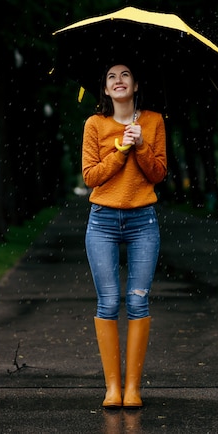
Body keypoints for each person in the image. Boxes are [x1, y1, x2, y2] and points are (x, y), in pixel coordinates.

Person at [82, 63, 167, 409]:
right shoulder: (95, 124)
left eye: (125, 75)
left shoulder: (153, 121)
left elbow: (158, 174)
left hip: (142, 220)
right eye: (111, 77)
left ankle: (132, 389)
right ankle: (112, 388)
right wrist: (120, 150)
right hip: (102, 220)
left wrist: (143, 145)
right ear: (104, 89)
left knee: (137, 302)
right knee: (108, 301)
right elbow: (90, 177)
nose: (118, 81)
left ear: (135, 84)